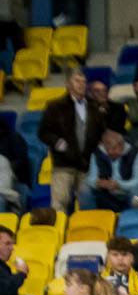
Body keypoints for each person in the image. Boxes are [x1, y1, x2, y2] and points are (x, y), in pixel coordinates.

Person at [41, 72, 106, 213]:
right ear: (68, 85)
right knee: (59, 203)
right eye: (77, 81)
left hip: (87, 164)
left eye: (84, 81)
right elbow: (43, 132)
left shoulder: (95, 107)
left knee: (87, 203)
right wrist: (58, 143)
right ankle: (59, 227)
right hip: (63, 163)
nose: (81, 84)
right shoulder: (55, 106)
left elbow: (102, 132)